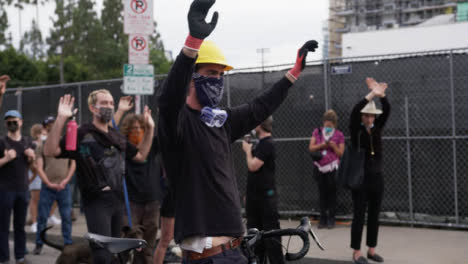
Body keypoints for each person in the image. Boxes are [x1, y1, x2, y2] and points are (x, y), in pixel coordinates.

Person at [157, 0, 318, 262]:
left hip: (236, 251)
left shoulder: (222, 121)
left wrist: (294, 73)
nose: (217, 80)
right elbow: (169, 99)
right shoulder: (178, 124)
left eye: (222, 74)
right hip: (208, 257)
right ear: (192, 78)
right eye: (211, 72)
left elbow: (259, 107)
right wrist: (193, 42)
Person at [43, 90, 155, 264]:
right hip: (97, 202)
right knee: (102, 255)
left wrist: (150, 129)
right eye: (104, 103)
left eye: (111, 103)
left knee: (114, 256)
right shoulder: (82, 133)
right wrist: (61, 119)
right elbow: (50, 151)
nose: (109, 106)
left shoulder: (115, 135)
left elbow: (140, 156)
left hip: (117, 203)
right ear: (92, 108)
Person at [349, 78, 390, 264]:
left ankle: (372, 249)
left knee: (374, 214)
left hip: (377, 178)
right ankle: (357, 252)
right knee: (359, 215)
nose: (369, 118)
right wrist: (372, 94)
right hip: (360, 179)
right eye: (367, 115)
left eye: (372, 116)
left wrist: (382, 96)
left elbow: (387, 110)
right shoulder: (356, 130)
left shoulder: (377, 128)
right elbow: (355, 111)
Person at [120, 113, 162, 264]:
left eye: (140, 128)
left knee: (147, 244)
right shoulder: (124, 147)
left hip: (152, 199)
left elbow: (166, 132)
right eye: (133, 129)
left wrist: (154, 121)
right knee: (127, 240)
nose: (137, 131)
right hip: (130, 199)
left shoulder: (152, 144)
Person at [242, 116, 284, 264]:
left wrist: (247, 151)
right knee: (254, 237)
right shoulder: (259, 144)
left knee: (271, 237)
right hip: (255, 198)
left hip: (266, 199)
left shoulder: (268, 144)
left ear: (260, 124)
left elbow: (253, 165)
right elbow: (253, 174)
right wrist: (248, 194)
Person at [33, 116, 76, 255]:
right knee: (42, 218)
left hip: (64, 187)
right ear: (45, 128)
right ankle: (39, 244)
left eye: (54, 123)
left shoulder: (67, 142)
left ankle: (68, 245)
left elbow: (73, 163)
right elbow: (39, 167)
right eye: (49, 124)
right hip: (48, 187)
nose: (52, 126)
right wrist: (48, 183)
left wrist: (66, 180)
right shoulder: (42, 146)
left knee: (66, 218)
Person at [0, 110, 36, 264]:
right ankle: (3, 257)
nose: (12, 124)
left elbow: (32, 167)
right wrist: (6, 158)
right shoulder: (1, 142)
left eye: (14, 120)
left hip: (22, 189)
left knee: (20, 225)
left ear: (21, 122)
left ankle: (20, 256)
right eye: (9, 121)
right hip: (5, 189)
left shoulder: (28, 142)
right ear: (5, 124)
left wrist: (32, 158)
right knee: (3, 225)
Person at [308, 110, 345, 229]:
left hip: (332, 167)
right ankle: (322, 218)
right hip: (320, 167)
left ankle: (331, 218)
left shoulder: (339, 135)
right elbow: (311, 148)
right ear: (323, 123)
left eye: (330, 126)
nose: (328, 127)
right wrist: (322, 145)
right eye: (326, 125)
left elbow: (341, 153)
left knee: (332, 194)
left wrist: (333, 145)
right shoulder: (317, 132)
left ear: (335, 124)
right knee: (322, 193)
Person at [27, 124, 44, 233]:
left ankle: (37, 220)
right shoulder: (33, 145)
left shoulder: (44, 144)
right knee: (35, 199)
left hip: (42, 174)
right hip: (35, 174)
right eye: (43, 132)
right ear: (38, 134)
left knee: (40, 200)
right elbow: (30, 161)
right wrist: (35, 171)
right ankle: (34, 222)